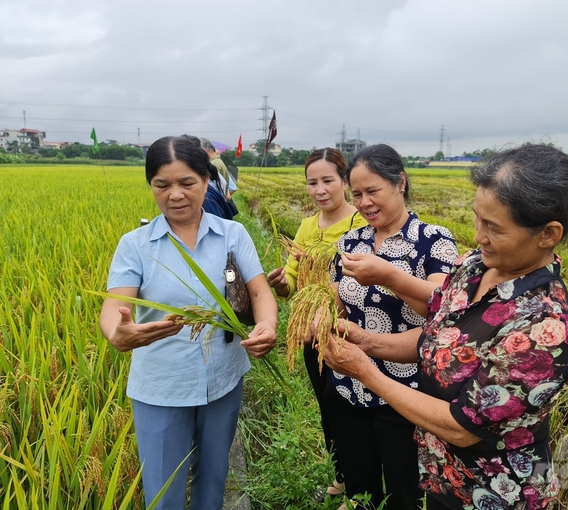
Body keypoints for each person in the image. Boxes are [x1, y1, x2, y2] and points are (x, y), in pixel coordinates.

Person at [323, 144, 568, 509]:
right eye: (477, 218)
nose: (478, 236)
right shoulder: (474, 266)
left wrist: (366, 373)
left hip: (494, 491)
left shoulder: (545, 325)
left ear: (548, 234)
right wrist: (366, 342)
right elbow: (437, 336)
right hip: (443, 475)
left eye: (493, 227)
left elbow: (462, 427)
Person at [99, 135, 278, 510]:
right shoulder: (135, 245)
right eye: (162, 185)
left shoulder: (233, 234)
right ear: (151, 186)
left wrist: (267, 325)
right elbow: (117, 304)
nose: (175, 195)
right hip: (161, 386)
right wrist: (118, 333)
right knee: (164, 492)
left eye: (187, 183)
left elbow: (260, 292)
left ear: (207, 181)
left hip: (224, 380)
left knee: (213, 482)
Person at [322, 144, 459, 510]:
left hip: (406, 390)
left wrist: (389, 277)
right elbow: (337, 297)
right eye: (357, 194)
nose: (364, 202)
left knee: (404, 491)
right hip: (349, 381)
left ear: (400, 182)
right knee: (359, 482)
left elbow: (443, 307)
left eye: (373, 191)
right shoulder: (351, 241)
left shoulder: (433, 239)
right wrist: (321, 313)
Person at [266, 147, 368, 502]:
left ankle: (361, 486)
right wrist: (282, 283)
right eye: (312, 183)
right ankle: (342, 475)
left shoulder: (360, 223)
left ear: (344, 181)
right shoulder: (308, 225)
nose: (320, 190)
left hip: (350, 331)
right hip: (311, 331)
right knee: (327, 407)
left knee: (348, 406)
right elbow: (293, 280)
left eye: (328, 180)